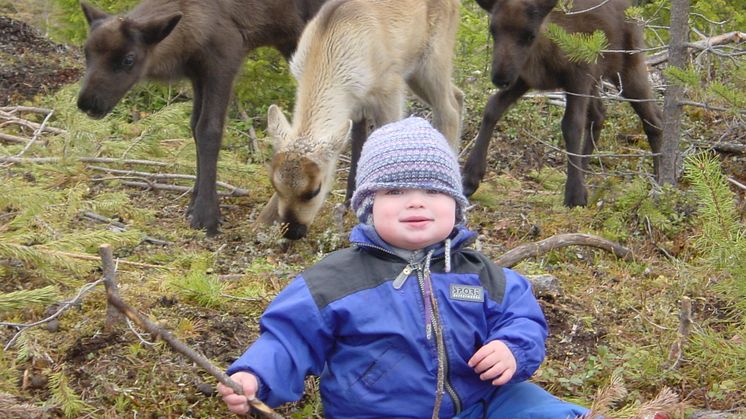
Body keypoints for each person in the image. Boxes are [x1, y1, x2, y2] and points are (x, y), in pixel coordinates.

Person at [218, 117, 590, 418]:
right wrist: (255, 375)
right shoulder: (335, 280)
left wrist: (511, 348)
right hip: (377, 411)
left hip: (480, 404)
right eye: (394, 192)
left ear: (456, 205)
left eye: (432, 191)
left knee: (533, 405)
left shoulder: (482, 274)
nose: (416, 203)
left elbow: (522, 319)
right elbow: (289, 339)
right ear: (368, 205)